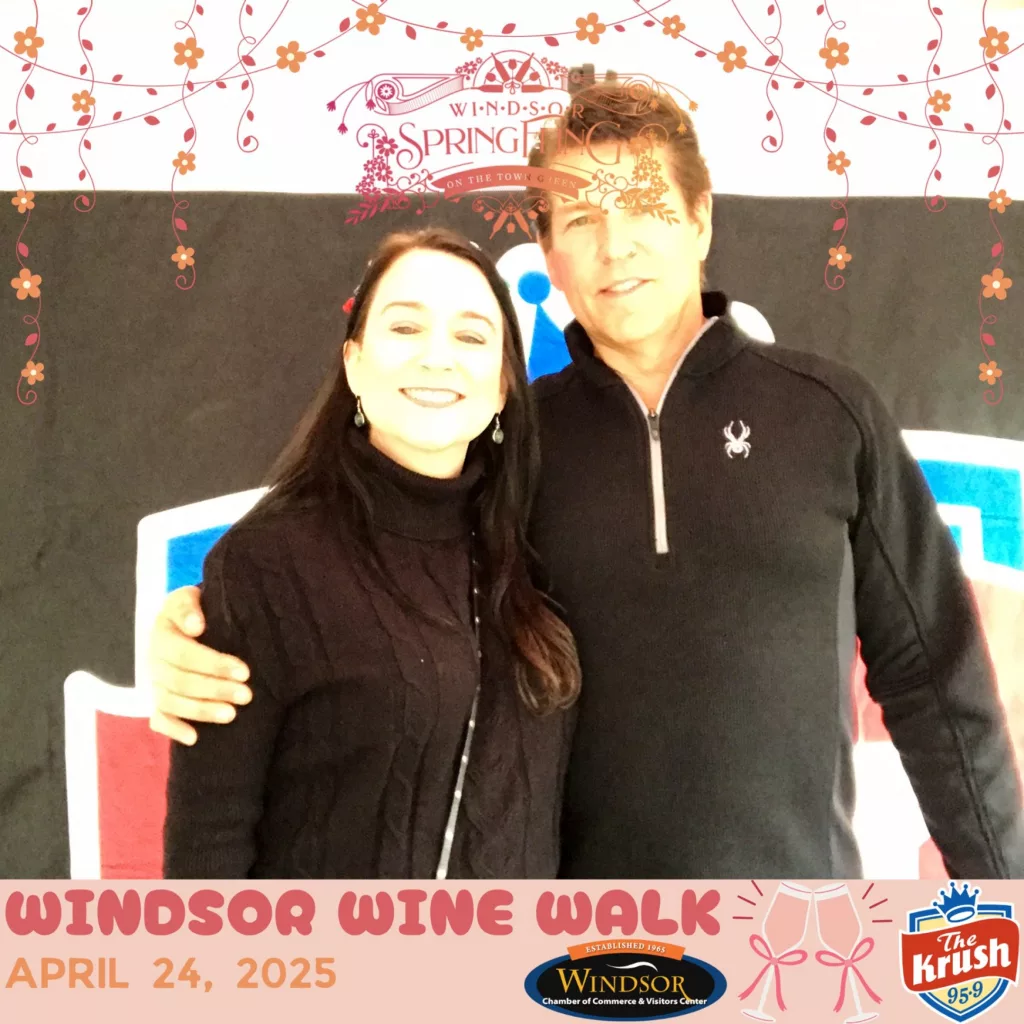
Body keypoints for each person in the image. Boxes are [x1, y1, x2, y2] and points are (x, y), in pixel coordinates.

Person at [150, 75, 1024, 878]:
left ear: (700, 220)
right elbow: (369, 567)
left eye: (644, 206)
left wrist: (1003, 903)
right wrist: (199, 628)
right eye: (579, 221)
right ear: (548, 253)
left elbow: (935, 680)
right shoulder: (510, 443)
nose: (615, 246)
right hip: (570, 946)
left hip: (792, 938)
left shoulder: (830, 415)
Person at [161, 228, 580, 879]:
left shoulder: (533, 547)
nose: (437, 357)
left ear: (503, 386)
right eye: (406, 328)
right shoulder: (266, 564)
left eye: (471, 337)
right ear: (354, 364)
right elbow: (207, 842)